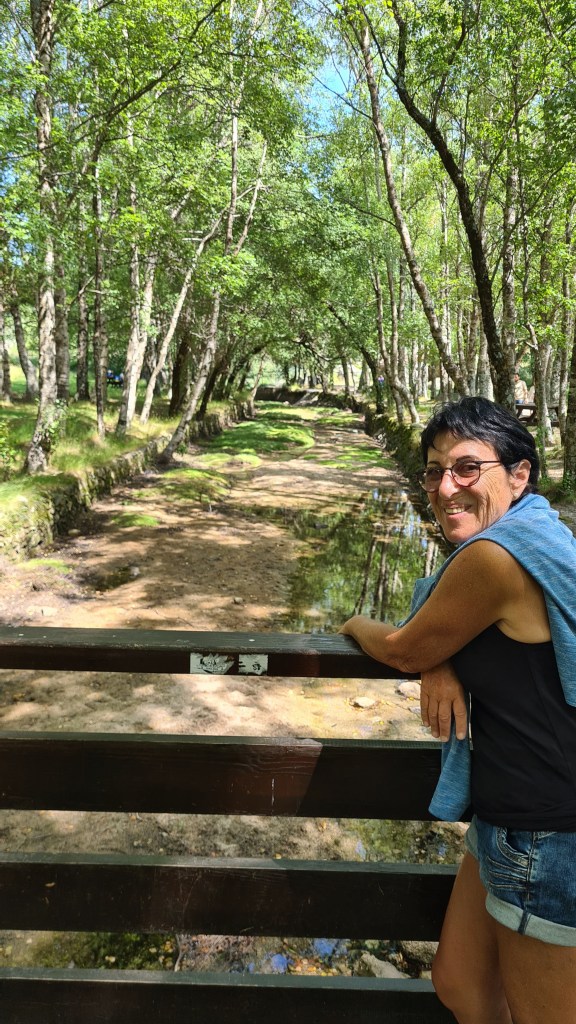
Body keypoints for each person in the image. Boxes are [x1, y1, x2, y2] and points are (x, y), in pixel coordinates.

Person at [339, 395, 576, 1024]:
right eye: (434, 471)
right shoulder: (540, 533)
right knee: (460, 983)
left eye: (468, 468)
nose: (446, 488)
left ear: (519, 475)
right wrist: (442, 659)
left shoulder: (496, 557)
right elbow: (444, 625)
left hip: (549, 832)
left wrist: (355, 622)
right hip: (510, 818)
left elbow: (402, 645)